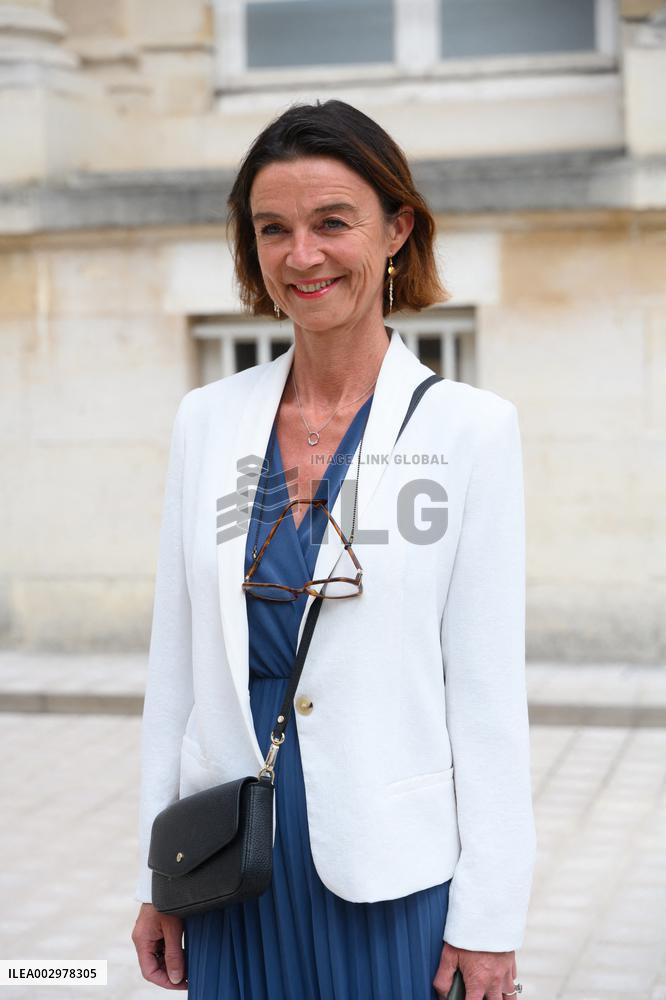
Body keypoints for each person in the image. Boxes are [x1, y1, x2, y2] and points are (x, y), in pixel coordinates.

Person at [131, 99, 536, 1000]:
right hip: (234, 865)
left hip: (389, 872)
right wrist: (156, 877)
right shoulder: (208, 421)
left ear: (397, 230)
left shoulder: (471, 429)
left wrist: (491, 917)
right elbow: (175, 676)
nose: (301, 255)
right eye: (273, 229)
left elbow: (487, 693)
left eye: (331, 224)